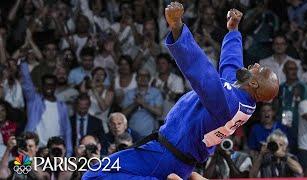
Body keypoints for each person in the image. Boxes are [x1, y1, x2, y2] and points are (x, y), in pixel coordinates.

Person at [83, 3, 279, 179]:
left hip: (166, 155)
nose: (255, 64)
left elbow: (201, 72)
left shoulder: (228, 102)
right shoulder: (241, 100)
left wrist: (177, 28)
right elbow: (231, 66)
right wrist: (233, 31)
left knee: (94, 176)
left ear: (254, 85)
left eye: (259, 70)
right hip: (175, 157)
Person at [20, 58, 73, 156]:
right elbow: (26, 83)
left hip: (54, 151)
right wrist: (23, 63)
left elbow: (67, 131)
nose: (49, 87)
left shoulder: (62, 106)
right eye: (46, 84)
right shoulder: (34, 101)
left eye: (52, 84)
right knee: (23, 170)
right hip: (34, 149)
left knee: (52, 171)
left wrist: (69, 153)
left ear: (55, 86)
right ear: (42, 85)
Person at [121, 68, 163, 137]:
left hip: (150, 134)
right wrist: (135, 103)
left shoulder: (156, 92)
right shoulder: (129, 93)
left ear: (149, 78)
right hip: (132, 133)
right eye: (140, 75)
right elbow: (123, 115)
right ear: (136, 78)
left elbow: (159, 113)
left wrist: (143, 103)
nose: (143, 78)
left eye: (145, 76)